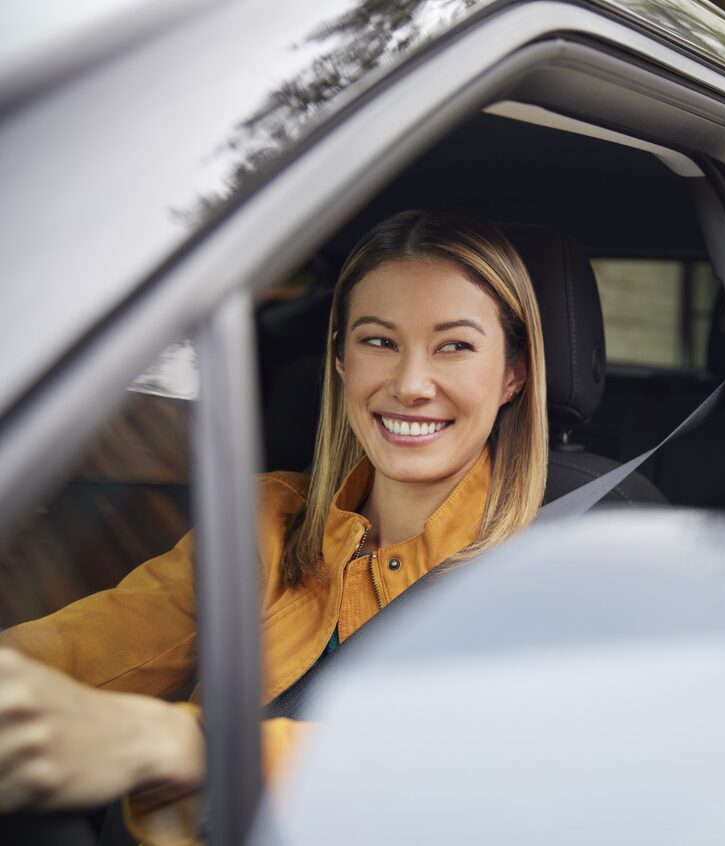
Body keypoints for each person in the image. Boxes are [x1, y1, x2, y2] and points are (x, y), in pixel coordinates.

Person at [0, 209, 549, 841]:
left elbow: (446, 773)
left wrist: (186, 746)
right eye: (378, 341)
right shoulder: (267, 519)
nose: (410, 384)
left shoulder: (542, 577)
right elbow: (98, 640)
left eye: (454, 346)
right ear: (341, 360)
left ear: (513, 374)